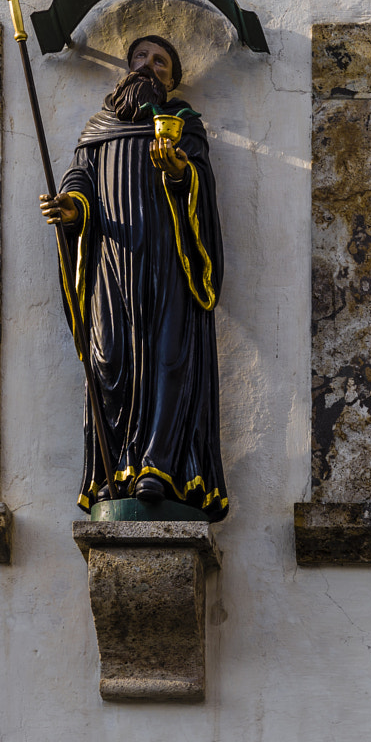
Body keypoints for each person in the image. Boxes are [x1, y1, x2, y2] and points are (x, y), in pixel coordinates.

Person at [39, 34, 228, 519]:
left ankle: (160, 467)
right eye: (141, 58)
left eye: (160, 61)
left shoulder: (184, 125)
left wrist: (182, 172)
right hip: (111, 264)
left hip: (169, 263)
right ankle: (115, 470)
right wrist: (70, 206)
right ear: (127, 68)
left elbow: (201, 189)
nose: (148, 66)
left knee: (169, 360)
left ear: (172, 78)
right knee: (108, 360)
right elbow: (80, 178)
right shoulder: (98, 128)